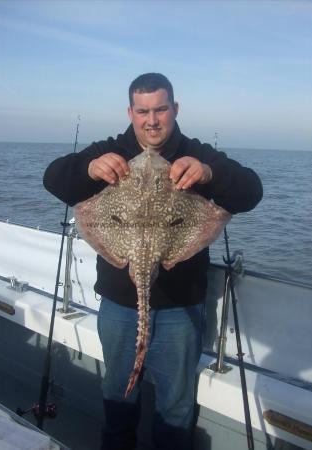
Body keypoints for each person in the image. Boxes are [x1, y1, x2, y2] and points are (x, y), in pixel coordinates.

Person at [43, 73, 263, 450]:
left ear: (175, 109)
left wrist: (210, 173)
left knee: (175, 407)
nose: (152, 120)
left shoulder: (197, 152)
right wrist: (89, 169)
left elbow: (250, 190)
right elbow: (54, 178)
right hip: (119, 306)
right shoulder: (111, 149)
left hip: (180, 307)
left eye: (161, 109)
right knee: (117, 397)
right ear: (130, 112)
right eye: (143, 111)